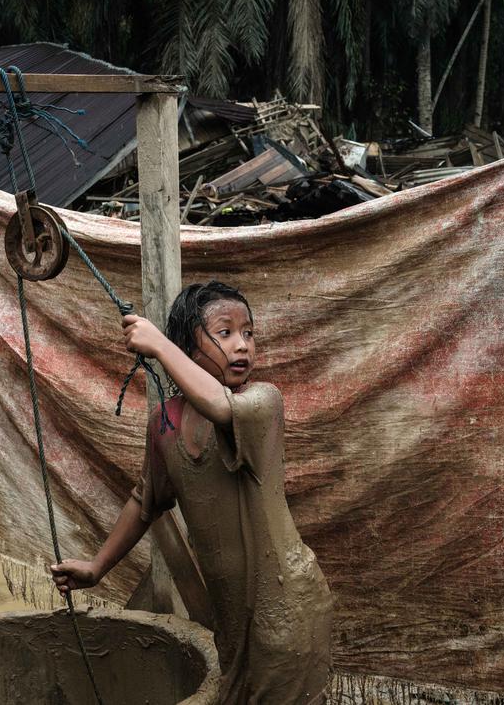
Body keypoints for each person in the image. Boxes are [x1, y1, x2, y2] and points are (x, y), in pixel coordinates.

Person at [50, 280, 333, 704]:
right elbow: (144, 501)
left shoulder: (261, 403)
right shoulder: (163, 424)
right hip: (233, 625)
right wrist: (96, 568)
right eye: (225, 333)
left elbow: (219, 405)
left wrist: (161, 347)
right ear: (189, 343)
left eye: (249, 333)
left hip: (287, 608)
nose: (242, 346)